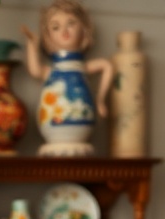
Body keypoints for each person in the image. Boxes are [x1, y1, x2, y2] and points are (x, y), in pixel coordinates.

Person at [22, 1, 114, 154]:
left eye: (71, 23)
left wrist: (100, 100)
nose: (64, 31)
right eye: (55, 27)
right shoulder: (52, 71)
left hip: (83, 129)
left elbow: (107, 65)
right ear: (48, 36)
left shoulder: (82, 68)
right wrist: (32, 46)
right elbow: (35, 70)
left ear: (84, 29)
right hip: (51, 126)